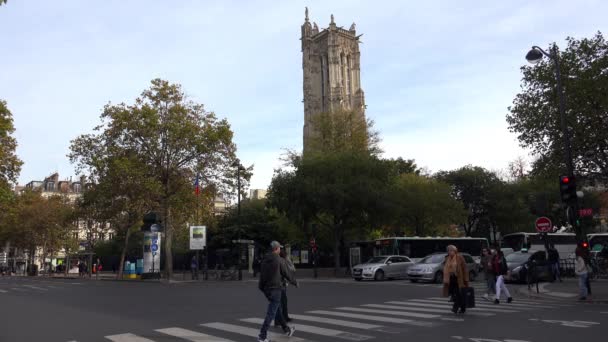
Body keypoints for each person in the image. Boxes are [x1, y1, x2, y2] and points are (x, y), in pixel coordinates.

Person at [258, 241, 297, 342]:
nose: (280, 249)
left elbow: (262, 276)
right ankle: (262, 336)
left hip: (266, 289)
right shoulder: (279, 260)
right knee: (271, 313)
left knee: (277, 309)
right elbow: (286, 273)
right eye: (279, 248)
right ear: (276, 249)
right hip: (276, 289)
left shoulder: (265, 260)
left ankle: (286, 329)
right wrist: (294, 282)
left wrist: (261, 287)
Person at [442, 245, 469, 314]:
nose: (449, 252)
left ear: (455, 251)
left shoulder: (459, 257)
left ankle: (455, 308)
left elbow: (465, 268)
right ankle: (462, 308)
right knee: (454, 294)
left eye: (451, 250)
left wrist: (466, 279)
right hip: (450, 279)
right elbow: (445, 267)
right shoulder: (447, 258)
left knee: (458, 294)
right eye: (448, 250)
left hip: (459, 279)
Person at [275, 249, 296, 325]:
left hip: (280, 284)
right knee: (281, 303)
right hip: (280, 285)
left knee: (282, 302)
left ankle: (282, 318)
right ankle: (279, 320)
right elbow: (293, 269)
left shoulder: (278, 261)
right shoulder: (282, 262)